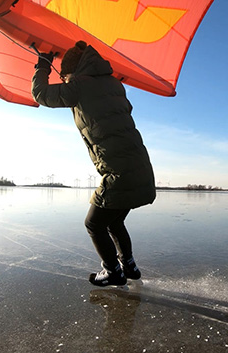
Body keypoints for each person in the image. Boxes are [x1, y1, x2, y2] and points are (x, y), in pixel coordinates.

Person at [31, 41, 156, 287]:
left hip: (119, 172)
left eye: (64, 76)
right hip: (141, 167)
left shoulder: (79, 85)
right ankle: (129, 266)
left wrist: (44, 61)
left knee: (93, 224)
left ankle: (113, 271)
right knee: (114, 220)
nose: (64, 80)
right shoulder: (114, 84)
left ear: (73, 72)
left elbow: (41, 94)